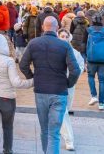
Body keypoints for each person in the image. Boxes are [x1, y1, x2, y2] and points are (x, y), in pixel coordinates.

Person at [19, 16, 80, 154]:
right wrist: (68, 83)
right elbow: (75, 70)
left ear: (42, 27)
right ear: (57, 28)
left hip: (41, 91)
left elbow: (23, 65)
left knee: (45, 129)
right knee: (54, 133)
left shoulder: (34, 43)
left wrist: (33, 77)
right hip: (59, 91)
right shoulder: (64, 45)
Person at [57, 28, 84, 151]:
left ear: (69, 38)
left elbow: (80, 66)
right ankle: (69, 140)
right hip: (57, 86)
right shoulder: (54, 51)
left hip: (70, 85)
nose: (64, 38)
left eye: (65, 36)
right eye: (61, 36)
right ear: (58, 37)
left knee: (65, 109)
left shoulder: (75, 53)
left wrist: (72, 80)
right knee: (63, 112)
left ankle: (57, 130)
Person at [86, 14, 104, 110]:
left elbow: (85, 43)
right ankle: (102, 103)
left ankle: (94, 96)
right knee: (102, 80)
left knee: (91, 76)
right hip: (103, 59)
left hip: (91, 58)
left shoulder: (88, 30)